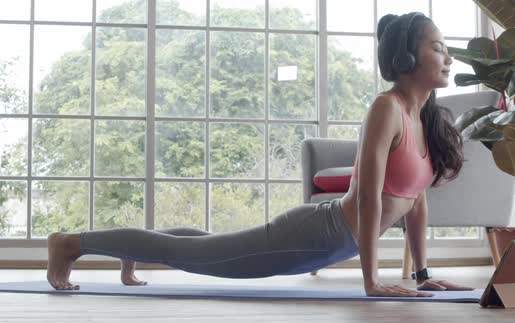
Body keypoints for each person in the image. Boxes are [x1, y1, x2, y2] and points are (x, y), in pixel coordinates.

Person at [46, 12, 474, 297]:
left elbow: (415, 202)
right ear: (405, 57)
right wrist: (371, 281)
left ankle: (135, 246)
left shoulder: (425, 118)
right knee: (198, 258)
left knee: (205, 246)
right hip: (312, 237)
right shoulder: (387, 109)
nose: (447, 56)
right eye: (438, 47)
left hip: (326, 242)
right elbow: (366, 197)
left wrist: (422, 275)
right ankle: (71, 244)